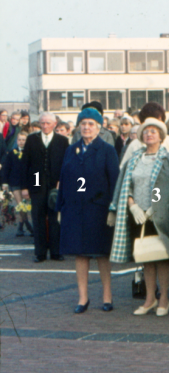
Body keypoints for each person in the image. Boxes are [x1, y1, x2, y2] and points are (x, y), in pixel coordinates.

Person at [109, 119, 169, 316]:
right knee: (146, 258)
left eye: (154, 131)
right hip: (138, 215)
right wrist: (132, 205)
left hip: (160, 216)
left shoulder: (168, 159)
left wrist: (154, 206)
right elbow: (125, 184)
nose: (149, 134)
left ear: (160, 136)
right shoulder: (134, 158)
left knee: (162, 257)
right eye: (146, 131)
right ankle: (150, 298)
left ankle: (164, 298)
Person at [58, 107, 120, 313]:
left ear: (99, 128)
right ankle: (83, 298)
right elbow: (64, 180)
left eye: (91, 124)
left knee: (102, 253)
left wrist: (113, 209)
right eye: (83, 124)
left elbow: (114, 182)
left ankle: (107, 296)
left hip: (99, 210)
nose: (86, 127)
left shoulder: (107, 150)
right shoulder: (71, 149)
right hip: (75, 210)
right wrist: (61, 207)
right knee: (80, 254)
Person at [17, 113, 69, 262]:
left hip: (55, 182)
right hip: (37, 179)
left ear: (54, 124)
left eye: (48, 123)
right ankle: (40, 253)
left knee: (54, 217)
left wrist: (62, 181)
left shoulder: (63, 141)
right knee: (38, 216)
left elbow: (66, 164)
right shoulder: (32, 139)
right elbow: (25, 164)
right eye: (42, 123)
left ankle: (56, 251)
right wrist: (25, 187)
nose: (45, 126)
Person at [1, 131, 33, 236]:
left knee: (26, 205)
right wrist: (4, 182)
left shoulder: (31, 153)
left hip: (28, 183)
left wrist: (37, 183)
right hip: (15, 182)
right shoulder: (12, 153)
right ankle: (27, 225)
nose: (21, 142)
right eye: (19, 139)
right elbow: (6, 169)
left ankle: (21, 226)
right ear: (16, 141)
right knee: (20, 205)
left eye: (24, 140)